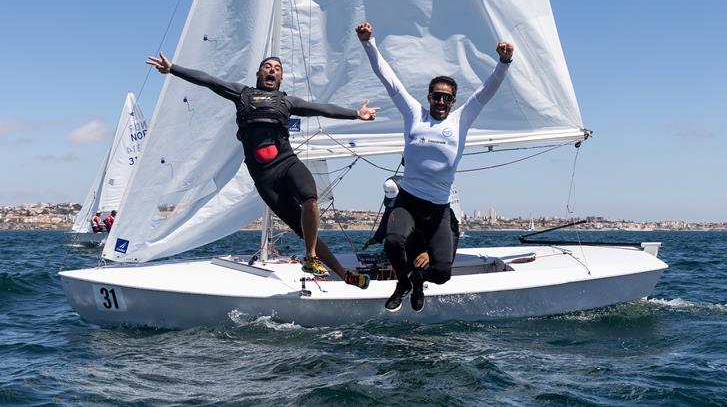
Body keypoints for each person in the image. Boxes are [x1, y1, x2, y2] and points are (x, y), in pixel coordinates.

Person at [146, 52, 377, 289]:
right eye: (267, 66)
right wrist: (173, 68)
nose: (272, 70)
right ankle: (342, 273)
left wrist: (355, 114)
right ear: (259, 73)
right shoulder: (242, 94)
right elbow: (209, 81)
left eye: (277, 68)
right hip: (264, 178)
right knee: (300, 227)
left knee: (310, 198)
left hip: (287, 163)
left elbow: (321, 109)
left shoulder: (287, 102)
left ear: (281, 77)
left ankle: (311, 258)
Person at [356, 21, 513, 312]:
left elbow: (487, 91)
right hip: (409, 201)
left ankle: (418, 281)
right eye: (435, 95)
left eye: (446, 97)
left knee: (441, 274)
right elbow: (388, 78)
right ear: (428, 97)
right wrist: (368, 42)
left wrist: (504, 62)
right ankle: (402, 282)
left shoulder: (461, 119)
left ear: (453, 101)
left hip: (439, 209)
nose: (440, 101)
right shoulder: (414, 113)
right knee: (392, 242)